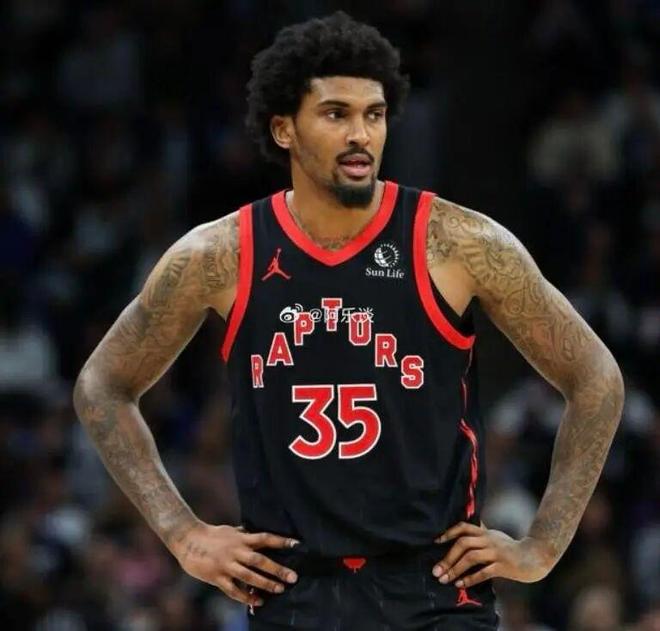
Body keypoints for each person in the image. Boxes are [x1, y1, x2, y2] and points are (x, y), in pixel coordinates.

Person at [73, 12, 625, 630]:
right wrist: (182, 533)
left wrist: (542, 546)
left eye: (375, 114)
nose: (361, 134)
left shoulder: (459, 243)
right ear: (283, 128)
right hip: (293, 594)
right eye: (336, 114)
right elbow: (102, 386)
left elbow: (596, 379)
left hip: (436, 595)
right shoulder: (221, 254)